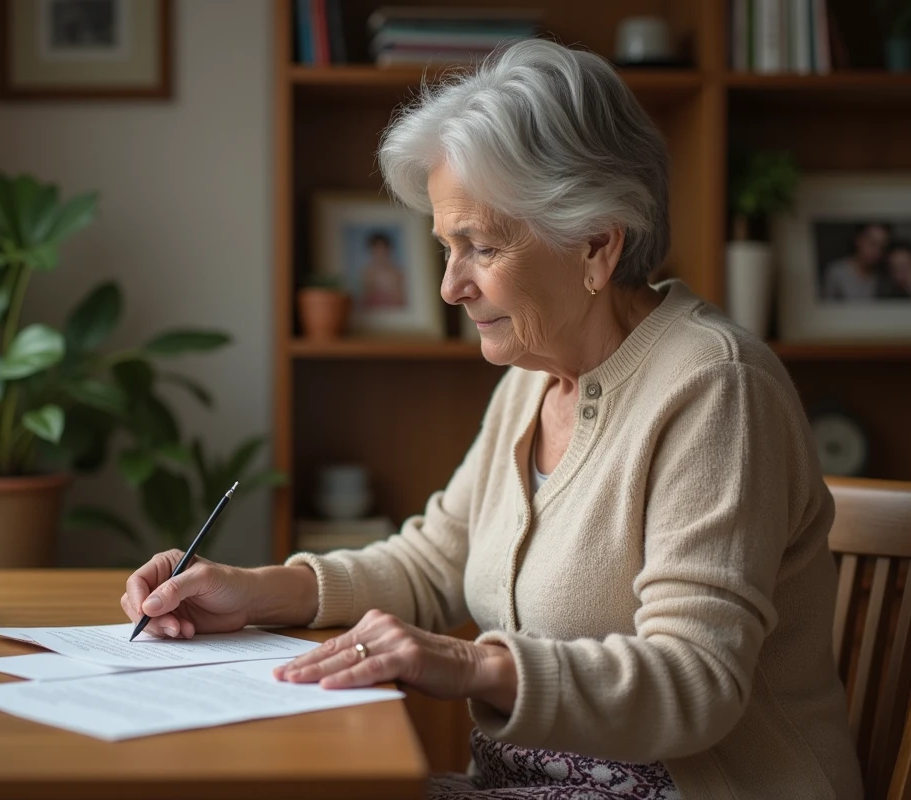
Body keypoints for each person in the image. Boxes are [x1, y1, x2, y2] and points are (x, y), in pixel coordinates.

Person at [122, 40, 862, 799]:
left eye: (480, 247)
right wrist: (255, 590)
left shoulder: (714, 389)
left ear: (596, 246)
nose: (449, 287)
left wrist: (468, 664)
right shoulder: (537, 373)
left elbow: (696, 680)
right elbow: (435, 561)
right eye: (447, 247)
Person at [821, 222, 891, 302]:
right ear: (858, 240)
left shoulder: (881, 278)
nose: (877, 251)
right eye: (872, 243)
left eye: (882, 247)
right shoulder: (835, 272)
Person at [359, 231, 407, 308]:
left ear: (388, 250)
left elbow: (403, 299)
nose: (380, 253)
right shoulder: (367, 273)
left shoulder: (397, 273)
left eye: (382, 249)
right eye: (376, 250)